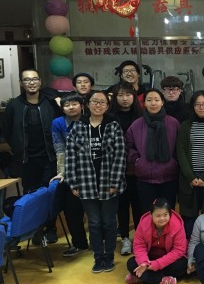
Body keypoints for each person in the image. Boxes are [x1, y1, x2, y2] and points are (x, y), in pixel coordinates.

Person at [64, 90, 126, 273]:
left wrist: (115, 182)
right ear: (87, 104)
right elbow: (70, 156)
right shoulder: (78, 127)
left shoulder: (113, 126)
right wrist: (72, 182)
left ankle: (109, 256)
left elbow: (120, 155)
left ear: (107, 106)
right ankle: (98, 257)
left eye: (102, 102)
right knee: (94, 223)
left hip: (109, 183)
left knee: (109, 222)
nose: (98, 105)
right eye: (94, 101)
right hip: (86, 183)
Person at [3, 68, 61, 243]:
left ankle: (50, 227)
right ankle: (35, 230)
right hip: (27, 160)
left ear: (40, 81)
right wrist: (18, 149)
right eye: (27, 80)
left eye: (34, 79)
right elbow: (7, 131)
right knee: (31, 195)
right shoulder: (14, 105)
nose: (31, 82)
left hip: (49, 157)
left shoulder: (50, 102)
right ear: (21, 83)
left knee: (50, 194)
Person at [125, 88, 180, 213]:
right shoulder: (137, 125)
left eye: (156, 99)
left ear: (162, 102)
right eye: (149, 100)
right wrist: (138, 161)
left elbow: (180, 147)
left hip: (169, 177)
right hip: (145, 179)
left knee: (168, 213)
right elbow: (128, 146)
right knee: (147, 213)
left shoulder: (173, 123)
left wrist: (174, 161)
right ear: (144, 103)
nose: (153, 103)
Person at [176, 91, 204, 239]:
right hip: (189, 179)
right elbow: (181, 151)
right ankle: (190, 246)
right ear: (192, 107)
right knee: (189, 215)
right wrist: (191, 177)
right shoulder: (185, 126)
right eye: (197, 104)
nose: (201, 107)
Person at [107, 81, 143, 255]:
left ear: (134, 97)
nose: (125, 98)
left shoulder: (141, 116)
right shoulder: (109, 117)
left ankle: (140, 238)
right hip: (117, 168)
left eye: (128, 95)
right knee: (121, 204)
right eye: (120, 95)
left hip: (138, 168)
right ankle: (125, 238)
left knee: (138, 204)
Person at [51, 94, 89, 257]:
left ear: (82, 106)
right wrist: (62, 172)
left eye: (74, 104)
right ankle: (80, 244)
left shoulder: (90, 120)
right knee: (71, 209)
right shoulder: (58, 123)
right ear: (62, 108)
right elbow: (60, 149)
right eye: (67, 105)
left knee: (96, 210)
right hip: (71, 172)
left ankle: (100, 243)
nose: (71, 107)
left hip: (92, 171)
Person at [125, 198, 188, 284]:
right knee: (131, 263)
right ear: (151, 215)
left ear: (170, 214)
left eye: (165, 215)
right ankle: (162, 281)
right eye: (158, 216)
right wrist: (144, 263)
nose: (162, 218)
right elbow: (139, 246)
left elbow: (179, 250)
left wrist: (157, 264)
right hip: (149, 259)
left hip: (168, 260)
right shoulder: (144, 223)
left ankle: (141, 278)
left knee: (182, 265)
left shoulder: (177, 224)